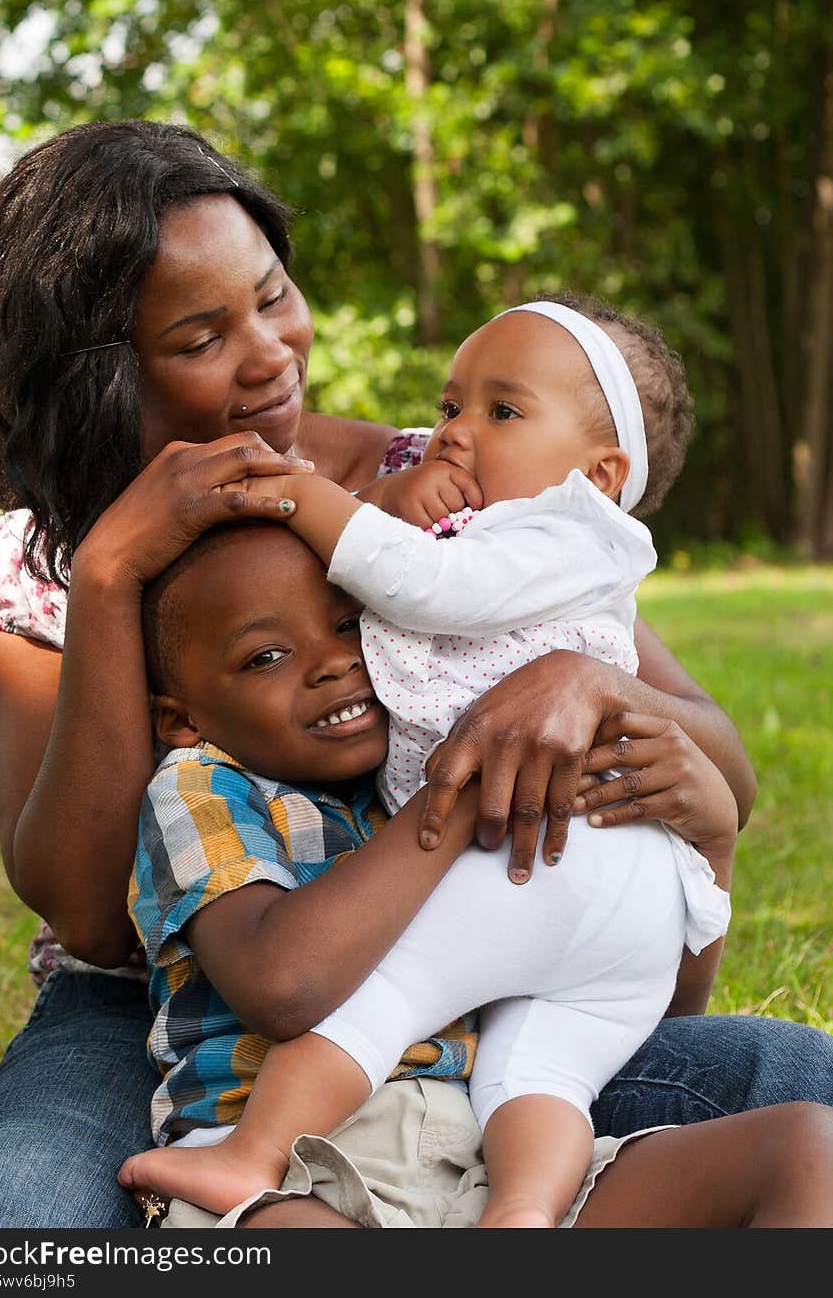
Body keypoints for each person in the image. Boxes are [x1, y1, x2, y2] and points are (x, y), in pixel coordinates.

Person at [0, 119, 830, 1230]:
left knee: (805, 1082)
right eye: (200, 334)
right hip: (146, 1017)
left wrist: (590, 683)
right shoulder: (33, 568)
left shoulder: (445, 477)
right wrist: (115, 569)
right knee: (4, 1216)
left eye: (273, 296)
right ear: (104, 376)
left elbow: (717, 765)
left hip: (469, 987)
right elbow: (86, 913)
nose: (270, 351)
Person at [119, 297, 733, 1228]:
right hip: (621, 909)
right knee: (546, 1074)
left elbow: (419, 580)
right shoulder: (529, 534)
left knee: (395, 989)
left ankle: (254, 1152)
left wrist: (298, 491)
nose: (451, 436)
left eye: (499, 412)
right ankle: (523, 1215)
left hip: (542, 865)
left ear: (603, 473)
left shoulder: (546, 535)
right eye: (449, 408)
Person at [116, 519, 832, 1229]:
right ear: (181, 718)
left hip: (483, 1167)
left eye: (350, 626)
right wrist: (459, 791)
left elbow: (644, 1015)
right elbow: (281, 984)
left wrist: (709, 850)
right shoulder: (202, 786)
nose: (334, 662)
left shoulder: (409, 767)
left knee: (808, 1148)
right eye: (266, 654)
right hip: (282, 1173)